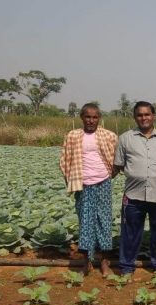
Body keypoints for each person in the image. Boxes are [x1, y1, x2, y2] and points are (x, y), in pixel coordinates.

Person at [59, 103, 118, 276]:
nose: (91, 120)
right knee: (85, 222)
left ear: (99, 118)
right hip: (82, 184)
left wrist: (111, 174)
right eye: (88, 117)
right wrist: (72, 179)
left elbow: (119, 157)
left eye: (94, 117)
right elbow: (64, 160)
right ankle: (87, 262)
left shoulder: (109, 136)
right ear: (82, 118)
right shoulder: (73, 136)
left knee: (104, 221)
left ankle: (105, 262)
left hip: (103, 182)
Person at [114, 101, 156, 276]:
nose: (144, 118)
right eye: (140, 115)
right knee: (130, 234)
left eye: (147, 114)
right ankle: (126, 267)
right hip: (133, 195)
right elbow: (119, 164)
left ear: (153, 116)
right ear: (135, 117)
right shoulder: (125, 138)